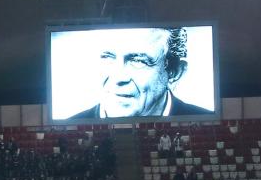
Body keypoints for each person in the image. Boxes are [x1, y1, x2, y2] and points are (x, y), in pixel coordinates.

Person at [64, 27, 208, 121]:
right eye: (107, 57)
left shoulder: (203, 119)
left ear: (174, 73)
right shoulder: (69, 126)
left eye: (138, 61)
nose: (118, 77)